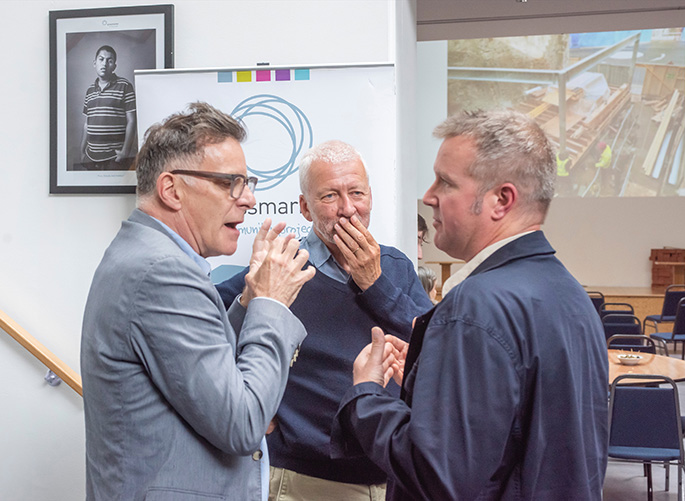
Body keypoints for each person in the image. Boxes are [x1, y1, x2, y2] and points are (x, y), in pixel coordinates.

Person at [332, 110, 609, 500]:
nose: (428, 196)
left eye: (445, 182)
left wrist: (366, 395)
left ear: (501, 200)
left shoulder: (475, 307)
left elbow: (438, 477)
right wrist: (433, 375)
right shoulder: (569, 293)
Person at [81, 102, 316, 501]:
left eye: (248, 183)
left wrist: (249, 300)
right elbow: (242, 423)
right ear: (172, 189)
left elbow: (201, 371)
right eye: (232, 183)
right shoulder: (161, 272)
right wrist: (271, 305)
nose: (249, 200)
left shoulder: (147, 256)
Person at [217, 140, 432, 501]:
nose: (348, 210)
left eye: (357, 193)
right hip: (306, 481)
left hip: (394, 477)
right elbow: (214, 339)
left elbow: (435, 348)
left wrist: (375, 285)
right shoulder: (283, 266)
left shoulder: (395, 267)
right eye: (330, 196)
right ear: (305, 207)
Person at [80, 45, 137, 171]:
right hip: (91, 156)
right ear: (94, 63)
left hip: (114, 157)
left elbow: (132, 121)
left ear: (114, 66)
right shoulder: (89, 90)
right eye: (101, 59)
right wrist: (82, 150)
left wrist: (125, 152)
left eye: (109, 61)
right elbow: (86, 124)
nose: (104, 64)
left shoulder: (125, 86)